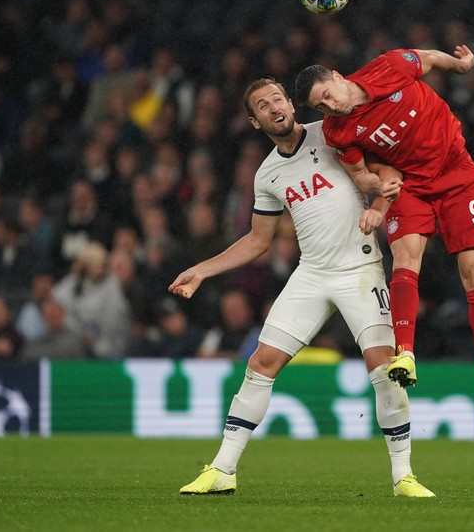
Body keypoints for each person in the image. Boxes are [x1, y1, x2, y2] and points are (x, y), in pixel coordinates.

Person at [169, 78, 434, 498]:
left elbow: (388, 170)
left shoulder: (332, 135)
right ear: (255, 122)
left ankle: (403, 477)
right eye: (262, 104)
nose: (273, 106)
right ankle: (223, 470)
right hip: (311, 274)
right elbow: (258, 241)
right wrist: (202, 270)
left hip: (360, 269)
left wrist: (381, 206)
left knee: (385, 368)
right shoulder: (268, 175)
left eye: (277, 97)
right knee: (261, 363)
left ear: (291, 104)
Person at [295, 45, 474, 416]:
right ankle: (406, 354)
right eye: (320, 107)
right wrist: (379, 190)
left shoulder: (389, 67)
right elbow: (360, 175)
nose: (330, 108)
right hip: (410, 185)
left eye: (328, 96)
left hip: (457, 174)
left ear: (336, 76)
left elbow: (428, 57)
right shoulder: (337, 131)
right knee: (405, 258)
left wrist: (460, 65)